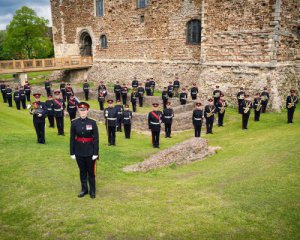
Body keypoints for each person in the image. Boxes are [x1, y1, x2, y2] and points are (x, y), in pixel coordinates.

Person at [70, 102, 99, 199]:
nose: (83, 112)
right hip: (79, 151)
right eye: (81, 110)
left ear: (87, 111)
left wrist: (95, 153)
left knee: (91, 172)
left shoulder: (92, 122)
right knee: (82, 171)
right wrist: (72, 152)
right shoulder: (74, 122)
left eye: (84, 110)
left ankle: (92, 191)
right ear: (78, 111)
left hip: (90, 152)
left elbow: (96, 139)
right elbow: (72, 138)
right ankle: (84, 189)